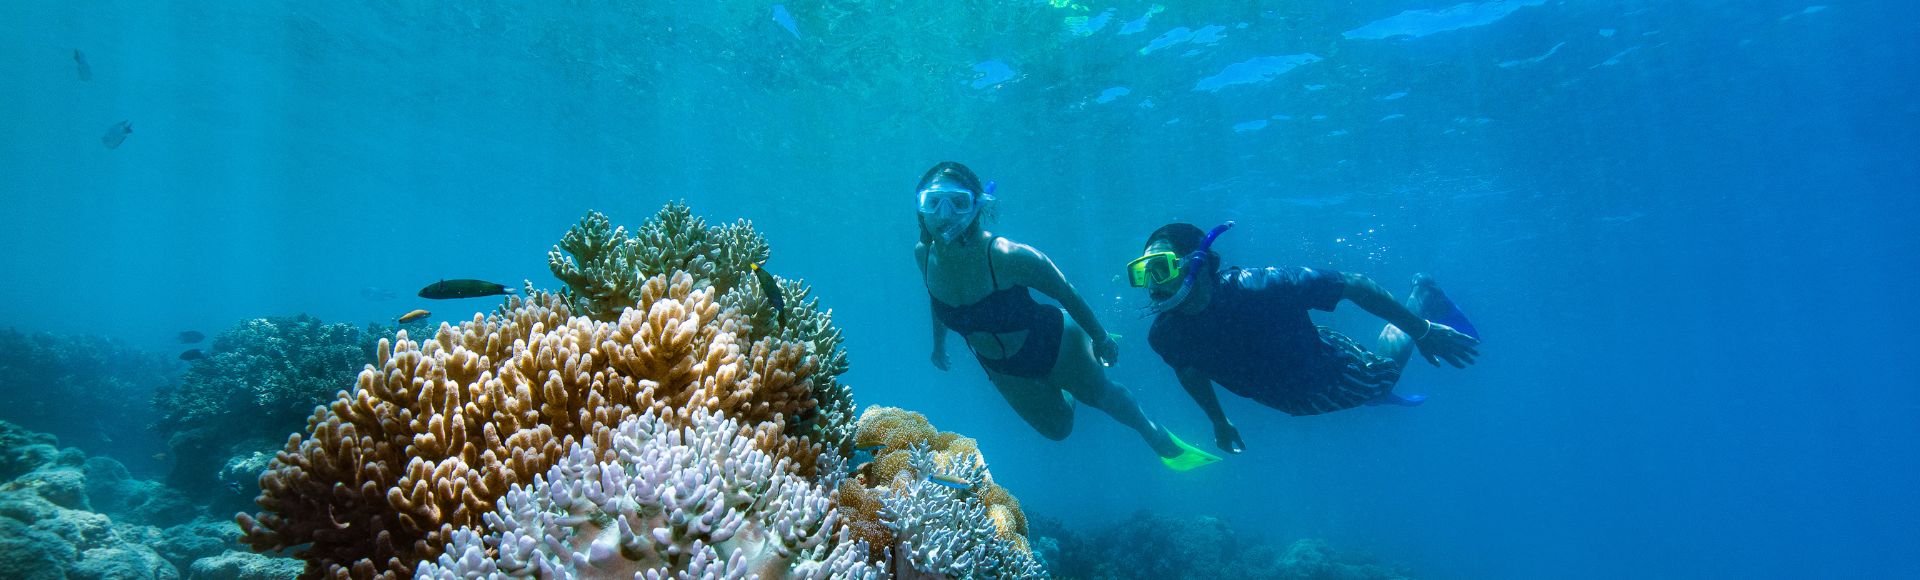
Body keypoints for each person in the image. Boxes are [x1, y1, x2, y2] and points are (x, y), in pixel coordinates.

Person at [916, 162, 1218, 470]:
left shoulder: (1006, 255)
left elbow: (1066, 292)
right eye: (933, 202)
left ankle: (1156, 437)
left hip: (1054, 342)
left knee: (1101, 396)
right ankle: (1065, 383)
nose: (944, 214)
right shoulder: (923, 255)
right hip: (1000, 365)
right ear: (920, 208)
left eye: (958, 202)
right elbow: (936, 297)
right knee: (1058, 430)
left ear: (976, 206)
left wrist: (1101, 338)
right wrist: (938, 345)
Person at [1130, 222, 1481, 453]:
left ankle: (1423, 295)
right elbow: (1189, 370)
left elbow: (1355, 284)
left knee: (1381, 382)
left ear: (1198, 263)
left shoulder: (1262, 286)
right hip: (1290, 392)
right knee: (1373, 391)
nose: (1152, 286)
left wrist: (1422, 330)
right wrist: (1218, 420)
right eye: (1143, 273)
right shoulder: (1165, 335)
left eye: (1161, 268)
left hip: (1332, 375)